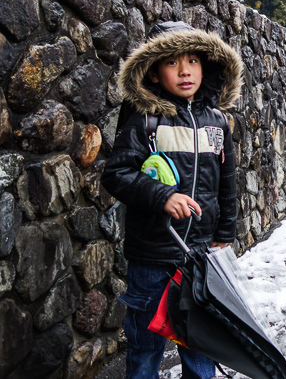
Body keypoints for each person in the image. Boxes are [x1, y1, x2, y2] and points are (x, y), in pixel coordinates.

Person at [101, 21, 242, 379]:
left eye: (193, 61)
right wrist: (163, 196)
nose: (184, 71)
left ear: (206, 66)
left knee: (200, 343)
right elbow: (117, 174)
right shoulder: (144, 120)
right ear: (152, 72)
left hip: (199, 255)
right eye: (172, 62)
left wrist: (224, 232)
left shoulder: (217, 122)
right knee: (145, 344)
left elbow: (227, 182)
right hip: (152, 255)